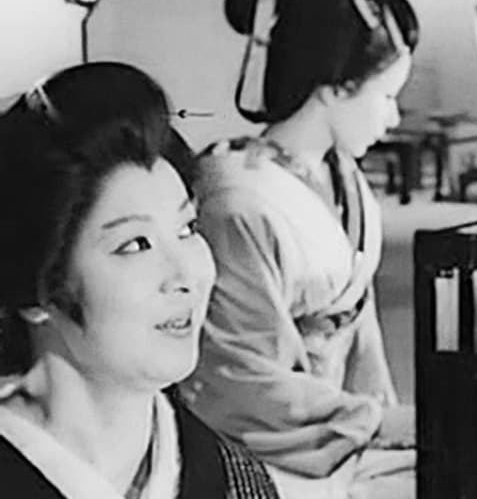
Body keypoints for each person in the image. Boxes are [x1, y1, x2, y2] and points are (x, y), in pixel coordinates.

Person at [180, 0, 419, 499]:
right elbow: (237, 375)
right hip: (262, 447)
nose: (393, 118)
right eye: (386, 97)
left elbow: (362, 337)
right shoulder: (236, 200)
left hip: (339, 430)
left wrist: (377, 422)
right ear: (334, 89)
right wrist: (373, 422)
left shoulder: (346, 180)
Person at [0, 62, 279, 498]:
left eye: (187, 229)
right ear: (40, 290)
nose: (187, 276)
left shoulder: (239, 483)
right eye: (135, 245)